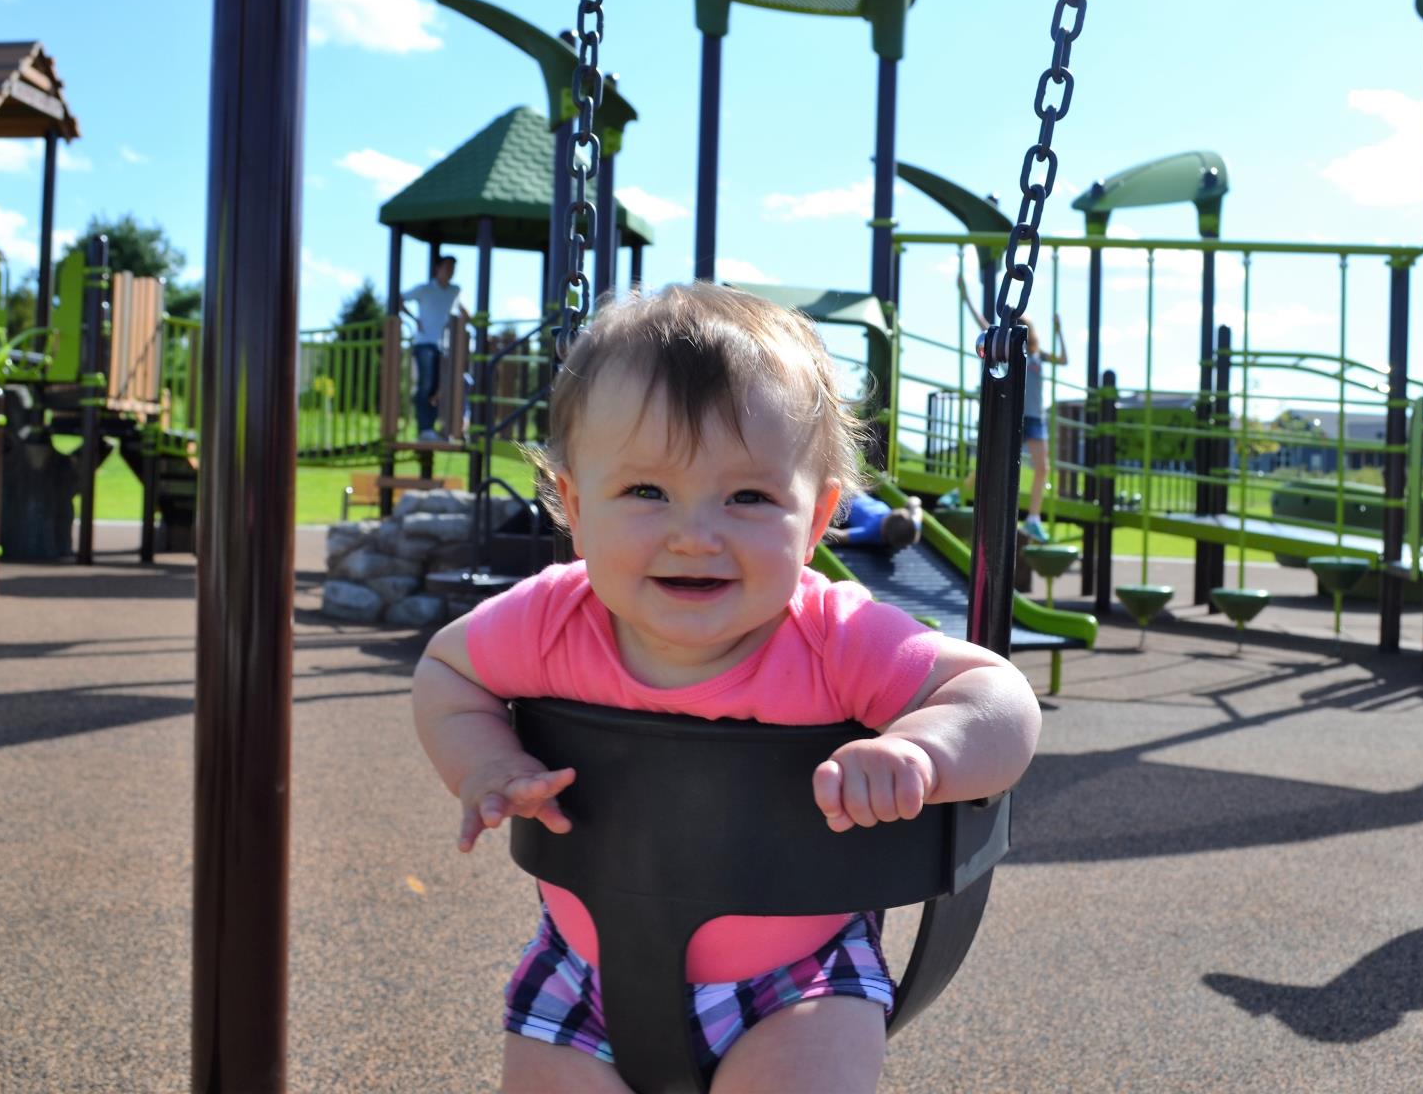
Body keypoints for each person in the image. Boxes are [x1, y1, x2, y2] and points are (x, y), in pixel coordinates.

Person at [410, 283, 1041, 1092]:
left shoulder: (835, 636)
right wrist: (484, 762)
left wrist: (921, 750)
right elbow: (447, 671)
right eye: (646, 491)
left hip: (797, 983)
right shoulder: (549, 619)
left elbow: (1001, 700)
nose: (694, 534)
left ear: (816, 523)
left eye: (748, 496)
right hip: (584, 974)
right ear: (573, 504)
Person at [958, 275, 1070, 541]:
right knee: (997, 458)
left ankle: (1033, 518)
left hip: (1035, 418)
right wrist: (966, 298)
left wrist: (1059, 331)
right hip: (1016, 415)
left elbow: (1064, 359)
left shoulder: (1038, 356)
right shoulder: (1010, 352)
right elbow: (985, 326)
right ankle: (960, 492)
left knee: (1043, 467)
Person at [400, 254, 462, 441]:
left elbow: (460, 309)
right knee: (426, 384)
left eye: (453, 268)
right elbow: (399, 298)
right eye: (447, 267)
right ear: (438, 269)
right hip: (424, 343)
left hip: (444, 346)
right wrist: (413, 319)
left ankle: (434, 429)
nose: (450, 272)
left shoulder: (454, 290)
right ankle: (424, 428)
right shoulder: (424, 290)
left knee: (439, 387)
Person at [825, 492, 924, 550]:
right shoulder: (914, 524)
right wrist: (911, 504)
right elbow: (915, 502)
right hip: (844, 502)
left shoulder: (870, 531)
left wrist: (823, 530)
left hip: (856, 497)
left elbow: (842, 535)